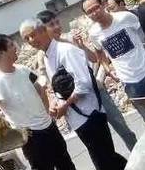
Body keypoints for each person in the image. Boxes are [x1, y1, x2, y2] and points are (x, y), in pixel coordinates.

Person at [20, 18, 132, 170]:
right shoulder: (46, 58)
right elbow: (55, 87)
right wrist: (55, 102)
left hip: (90, 114)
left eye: (32, 34)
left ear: (43, 30)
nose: (30, 40)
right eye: (26, 38)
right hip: (77, 118)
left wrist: (66, 104)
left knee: (103, 164)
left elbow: (84, 84)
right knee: (108, 157)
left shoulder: (66, 51)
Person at [0, 32, 101, 170]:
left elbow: (39, 87)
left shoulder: (21, 69)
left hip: (48, 126)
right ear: (2, 51)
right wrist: (9, 132)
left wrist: (48, 105)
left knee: (66, 165)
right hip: (30, 136)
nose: (16, 47)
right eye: (12, 45)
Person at [38, 10, 137, 154]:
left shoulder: (71, 40)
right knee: (101, 144)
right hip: (78, 103)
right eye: (51, 24)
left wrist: (82, 46)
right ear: (43, 30)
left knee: (122, 127)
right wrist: (54, 102)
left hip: (97, 92)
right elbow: (49, 83)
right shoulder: (44, 54)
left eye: (57, 22)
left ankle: (137, 156)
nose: (57, 26)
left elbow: (94, 59)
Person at [81, 0, 145, 123]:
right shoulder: (94, 33)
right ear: (87, 16)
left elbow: (143, 34)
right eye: (90, 11)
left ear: (103, 5)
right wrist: (108, 69)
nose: (95, 13)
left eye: (96, 7)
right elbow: (99, 53)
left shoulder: (125, 17)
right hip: (129, 82)